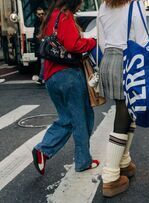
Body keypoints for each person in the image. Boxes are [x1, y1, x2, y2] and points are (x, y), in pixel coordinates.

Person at [98, 0, 149, 197]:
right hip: (129, 59)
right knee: (124, 115)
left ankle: (124, 162)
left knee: (128, 112)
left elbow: (100, 40)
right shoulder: (134, 4)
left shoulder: (104, 6)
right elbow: (143, 42)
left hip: (108, 59)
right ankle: (110, 177)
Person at [32, 0, 99, 175]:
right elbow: (73, 45)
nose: (82, 4)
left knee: (67, 119)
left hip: (51, 76)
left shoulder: (52, 16)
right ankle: (83, 161)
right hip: (69, 75)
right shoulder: (65, 16)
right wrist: (92, 42)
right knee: (82, 119)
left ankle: (43, 151)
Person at [32, 7, 45, 85]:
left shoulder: (47, 21)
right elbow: (35, 35)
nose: (41, 15)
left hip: (47, 44)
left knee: (44, 62)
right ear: (36, 15)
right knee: (42, 61)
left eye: (42, 14)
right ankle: (41, 78)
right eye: (39, 14)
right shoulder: (36, 23)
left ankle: (41, 78)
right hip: (40, 45)